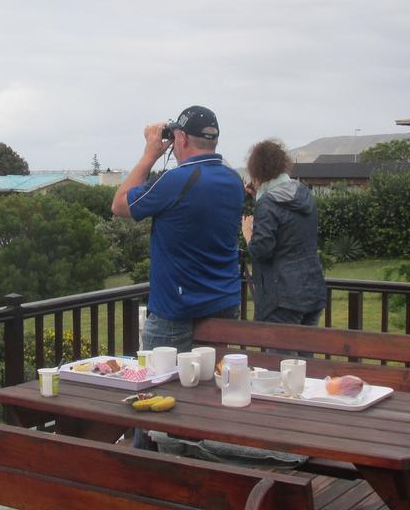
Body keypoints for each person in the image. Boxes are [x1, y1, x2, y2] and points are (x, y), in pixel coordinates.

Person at [112, 105, 244, 353]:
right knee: (209, 385)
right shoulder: (234, 180)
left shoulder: (174, 181)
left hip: (177, 308)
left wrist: (149, 155)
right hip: (224, 300)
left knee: (160, 384)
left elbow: (119, 205)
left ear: (181, 138)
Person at [241, 139, 327, 325]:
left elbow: (262, 250)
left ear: (256, 170)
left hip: (282, 299)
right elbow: (288, 220)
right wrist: (259, 196)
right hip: (312, 290)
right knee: (306, 353)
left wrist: (248, 235)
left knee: (280, 355)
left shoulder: (267, 204)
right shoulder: (304, 193)